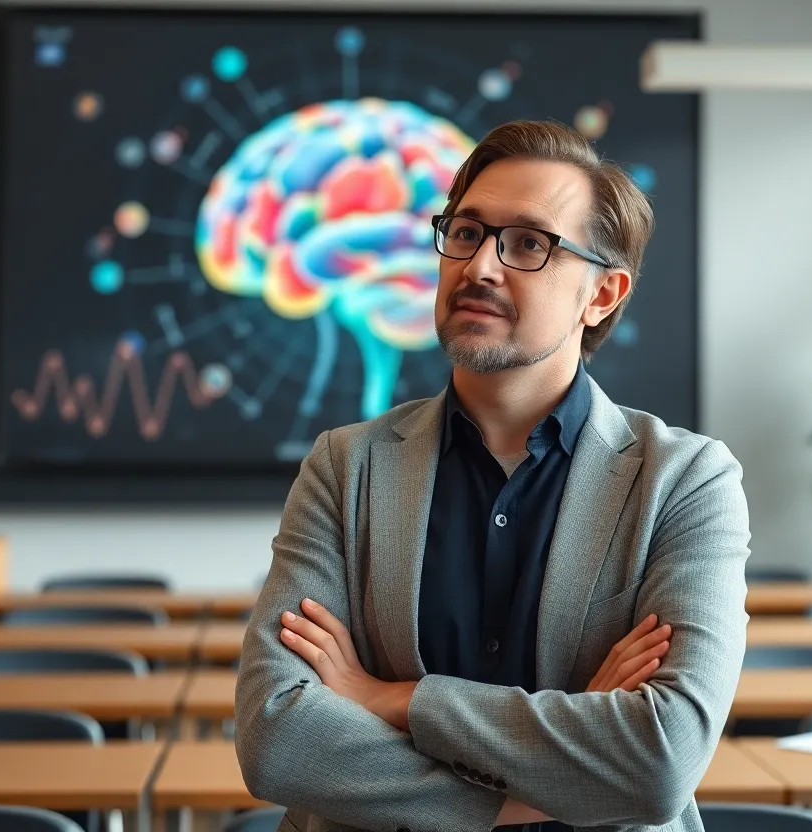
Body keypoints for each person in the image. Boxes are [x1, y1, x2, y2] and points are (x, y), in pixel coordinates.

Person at [235, 119, 751, 832]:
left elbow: (660, 759)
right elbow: (277, 739)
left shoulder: (685, 480)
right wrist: (544, 784)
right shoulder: (345, 467)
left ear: (602, 294)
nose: (479, 266)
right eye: (467, 232)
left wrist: (396, 699)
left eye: (530, 244)